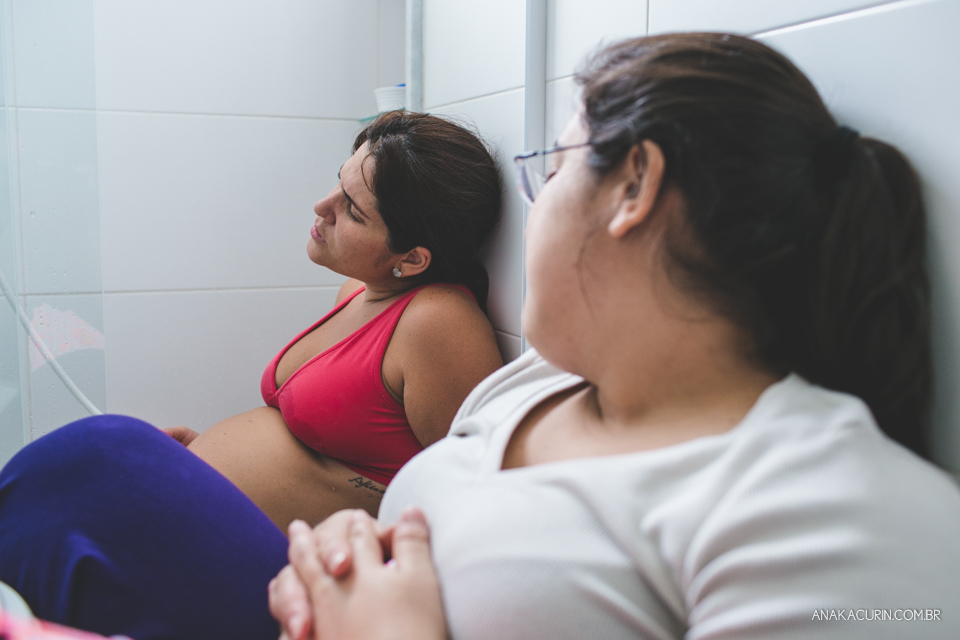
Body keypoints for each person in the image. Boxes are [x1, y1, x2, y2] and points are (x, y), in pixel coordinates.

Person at [268, 34, 960, 640]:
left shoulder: (835, 513)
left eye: (554, 169)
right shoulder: (535, 382)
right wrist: (346, 558)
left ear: (634, 187)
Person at [0, 111, 504, 640]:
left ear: (412, 257)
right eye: (339, 181)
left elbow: (463, 502)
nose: (322, 206)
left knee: (84, 485)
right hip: (241, 542)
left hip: (296, 585)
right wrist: (198, 469)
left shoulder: (438, 322)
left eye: (351, 210)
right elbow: (329, 444)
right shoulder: (359, 292)